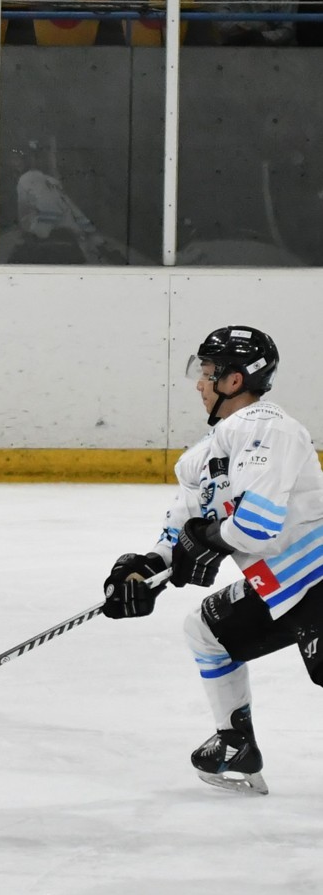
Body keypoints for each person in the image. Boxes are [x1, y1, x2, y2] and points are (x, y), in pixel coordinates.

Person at [102, 326, 323, 795]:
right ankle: (235, 743)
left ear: (234, 380)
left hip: (318, 580)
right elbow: (183, 525)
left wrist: (206, 539)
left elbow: (256, 527)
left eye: (206, 373)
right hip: (281, 588)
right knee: (207, 630)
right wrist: (145, 568)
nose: (199, 384)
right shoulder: (203, 455)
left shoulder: (269, 428)